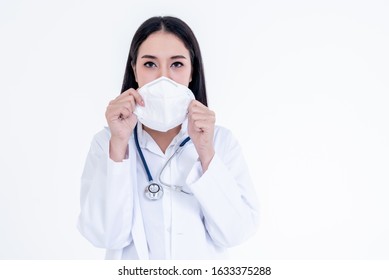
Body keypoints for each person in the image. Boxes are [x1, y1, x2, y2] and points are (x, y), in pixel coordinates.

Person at [77, 16, 259, 260]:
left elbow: (236, 233)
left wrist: (205, 152)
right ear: (134, 70)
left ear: (192, 71)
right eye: (150, 64)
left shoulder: (221, 142)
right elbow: (105, 236)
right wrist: (118, 144)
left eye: (177, 64)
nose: (164, 78)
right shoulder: (107, 142)